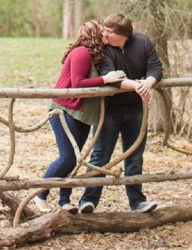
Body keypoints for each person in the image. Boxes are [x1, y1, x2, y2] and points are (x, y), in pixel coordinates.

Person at [77, 12, 165, 214]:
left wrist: (148, 83)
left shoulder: (142, 42)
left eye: (109, 31)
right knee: (100, 156)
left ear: (124, 34)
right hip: (108, 109)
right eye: (104, 30)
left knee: (135, 156)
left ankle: (137, 202)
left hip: (136, 109)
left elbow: (156, 68)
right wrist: (136, 85)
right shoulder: (104, 47)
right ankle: (87, 201)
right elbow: (109, 76)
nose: (104, 34)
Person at [35, 20, 126, 213]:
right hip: (64, 110)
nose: (106, 34)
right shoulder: (81, 52)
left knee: (74, 159)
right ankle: (40, 194)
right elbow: (77, 84)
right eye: (103, 31)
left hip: (82, 114)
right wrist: (105, 80)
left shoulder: (95, 55)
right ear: (94, 34)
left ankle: (64, 201)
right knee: (66, 159)